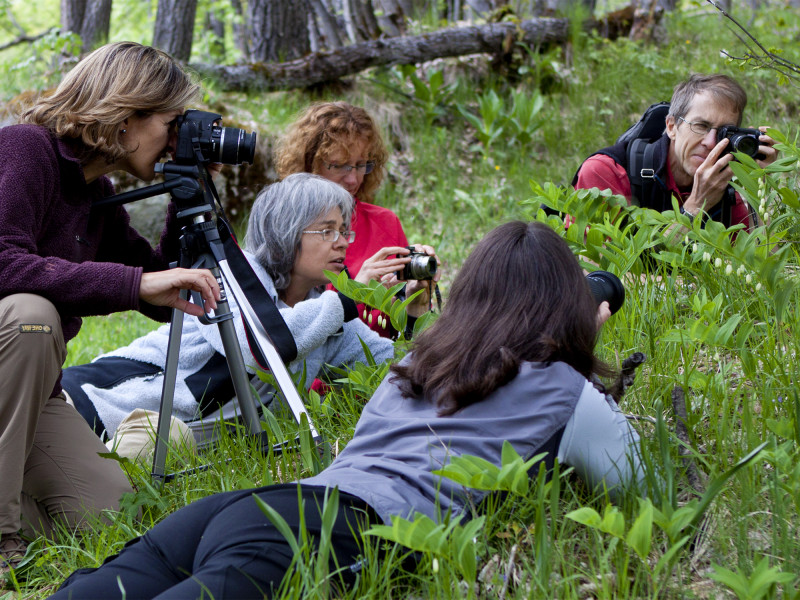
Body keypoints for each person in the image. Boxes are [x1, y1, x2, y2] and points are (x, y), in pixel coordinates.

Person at [50, 220, 646, 600]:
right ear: (569, 307)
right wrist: (585, 346)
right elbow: (638, 483)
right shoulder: (568, 390)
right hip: (331, 533)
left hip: (263, 507)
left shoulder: (417, 366)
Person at [0, 42, 224, 573]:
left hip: (31, 388)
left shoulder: (94, 192)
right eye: (170, 124)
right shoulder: (25, 150)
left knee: (108, 516)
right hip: (15, 349)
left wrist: (186, 195)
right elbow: (3, 261)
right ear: (127, 115)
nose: (173, 139)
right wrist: (132, 283)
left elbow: (164, 298)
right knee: (33, 314)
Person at [59, 174, 431, 453]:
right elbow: (261, 346)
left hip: (159, 439)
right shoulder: (229, 275)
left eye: (344, 232)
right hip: (89, 403)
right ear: (287, 233)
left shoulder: (329, 322)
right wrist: (352, 298)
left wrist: (413, 316)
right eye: (327, 231)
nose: (341, 244)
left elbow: (398, 375)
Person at [274, 102, 439, 338]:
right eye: (339, 165)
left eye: (361, 165)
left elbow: (403, 340)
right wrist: (356, 290)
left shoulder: (385, 223)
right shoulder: (286, 224)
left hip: (377, 368)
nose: (352, 179)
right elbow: (283, 330)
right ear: (309, 164)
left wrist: (415, 303)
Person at [573, 73, 778, 229]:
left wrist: (758, 186)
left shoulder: (721, 183)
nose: (710, 142)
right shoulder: (605, 172)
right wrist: (697, 204)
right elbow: (597, 276)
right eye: (701, 126)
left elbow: (764, 267)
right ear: (671, 127)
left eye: (724, 132)